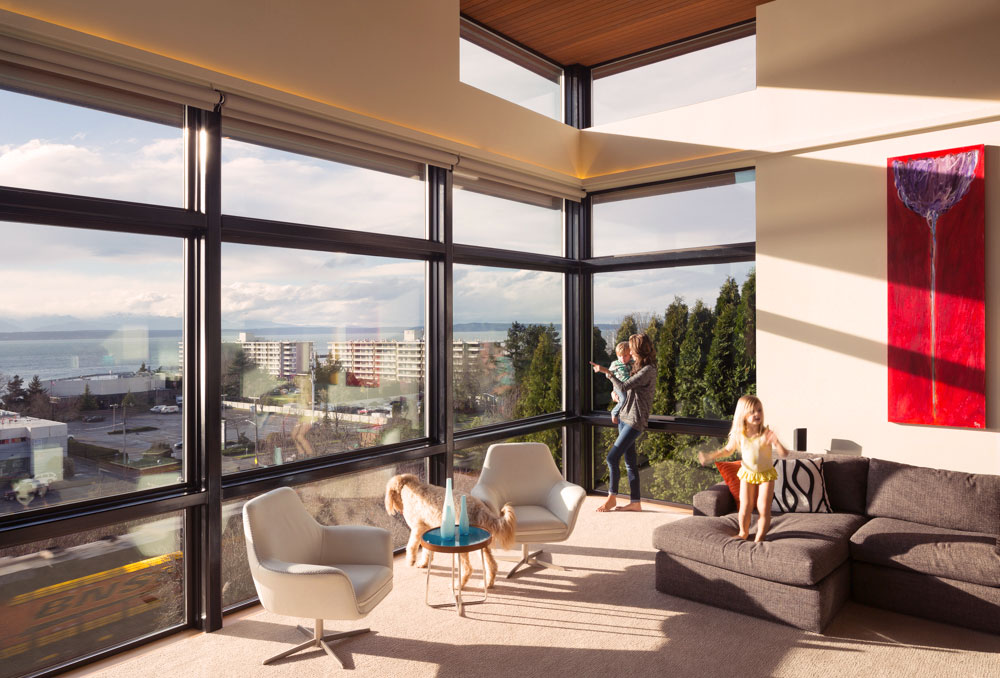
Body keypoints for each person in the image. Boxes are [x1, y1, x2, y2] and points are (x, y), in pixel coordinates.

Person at [698, 395, 789, 542]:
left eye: (759, 410)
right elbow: (727, 450)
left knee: (763, 507)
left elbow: (785, 453)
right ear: (743, 415)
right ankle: (743, 532)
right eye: (752, 412)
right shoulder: (740, 434)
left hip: (766, 475)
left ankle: (760, 537)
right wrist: (710, 456)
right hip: (747, 473)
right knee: (745, 506)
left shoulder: (766, 433)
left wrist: (777, 443)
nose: (757, 414)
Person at [590, 333, 657, 512]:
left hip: (634, 421)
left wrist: (606, 372)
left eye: (633, 351)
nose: (631, 354)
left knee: (612, 457)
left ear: (639, 351)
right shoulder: (637, 367)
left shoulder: (647, 371)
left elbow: (623, 386)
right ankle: (635, 502)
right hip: (623, 417)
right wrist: (616, 396)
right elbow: (624, 392)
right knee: (629, 461)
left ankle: (612, 497)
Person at [608, 341, 633, 425]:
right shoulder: (615, 364)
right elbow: (609, 375)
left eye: (625, 356)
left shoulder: (632, 363)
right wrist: (613, 390)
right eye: (620, 356)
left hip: (628, 386)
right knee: (623, 399)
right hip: (619, 386)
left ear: (630, 354)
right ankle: (614, 413)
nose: (622, 358)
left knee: (629, 401)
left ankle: (625, 415)